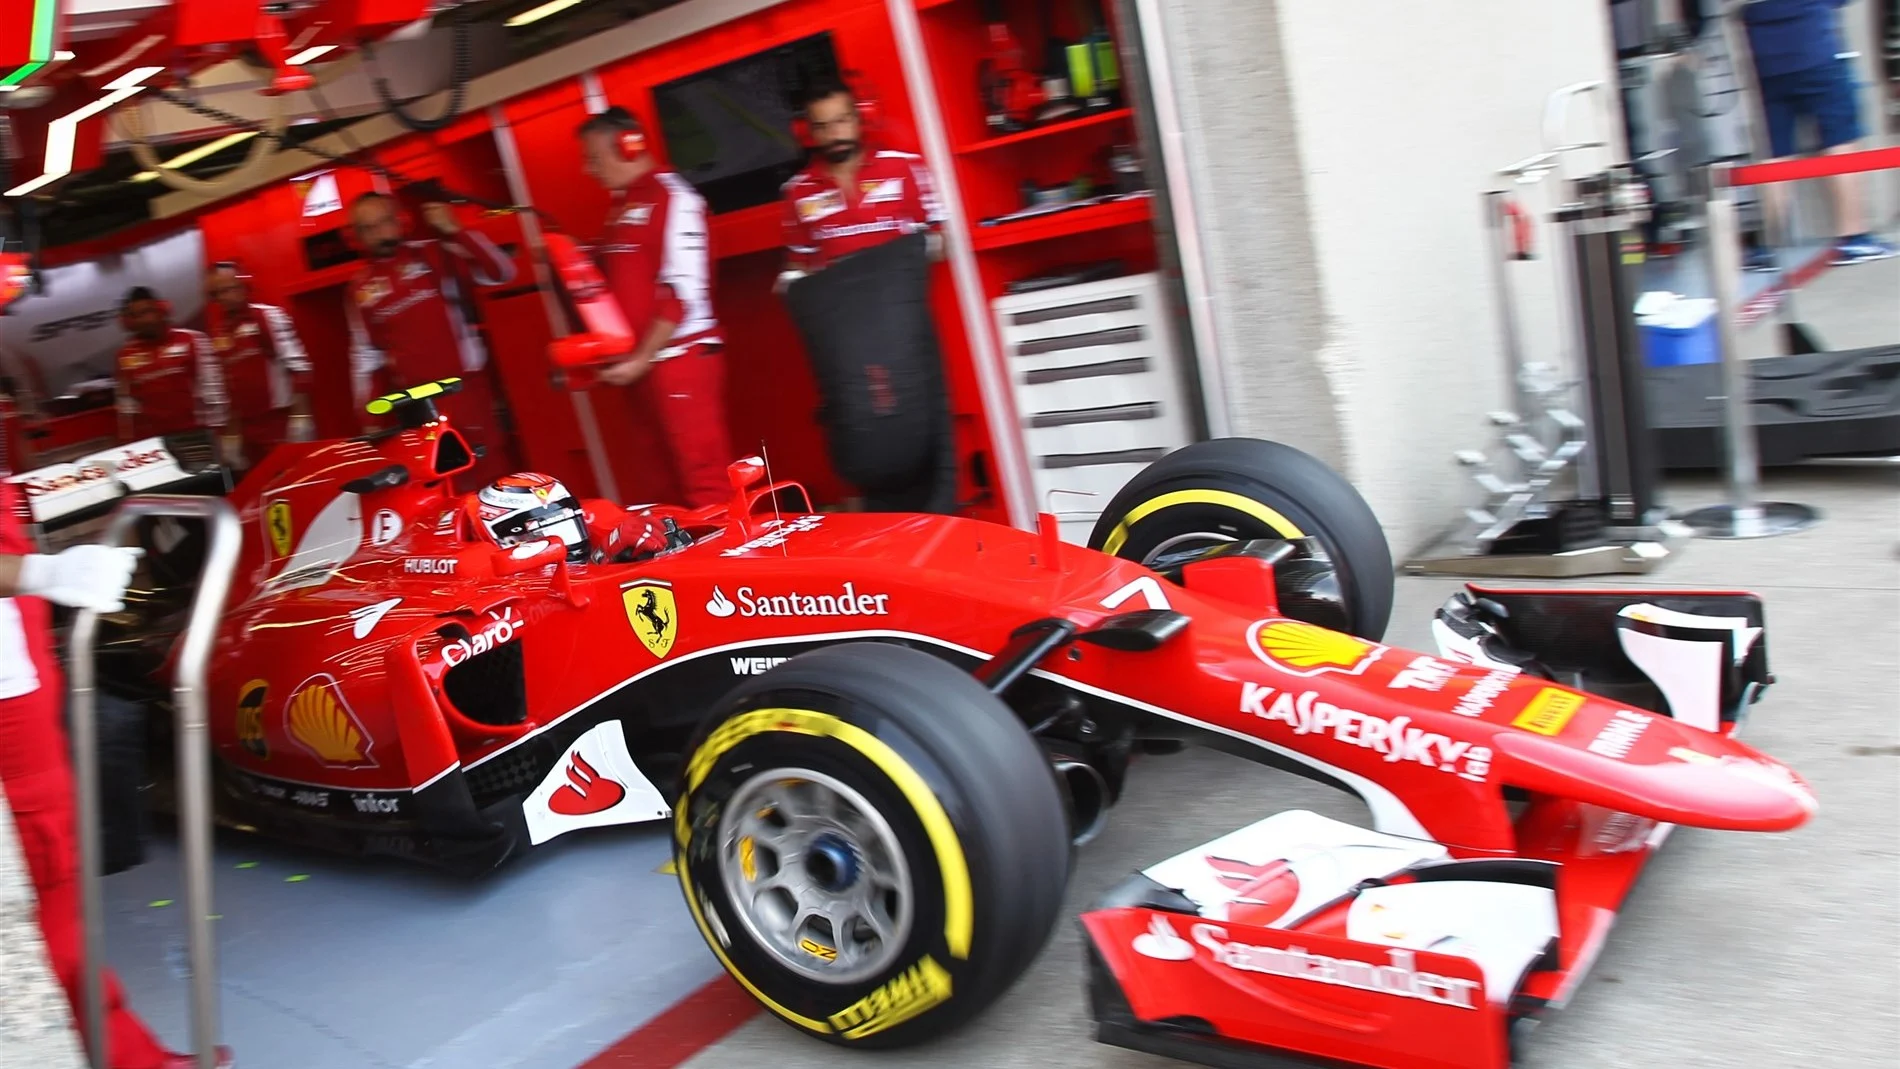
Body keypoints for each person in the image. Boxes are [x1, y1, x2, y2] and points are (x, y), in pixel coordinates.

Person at [1, 457, 232, 1069]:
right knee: (41, 910)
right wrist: (41, 572)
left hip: (23, 702)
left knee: (51, 907)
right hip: (10, 729)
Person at [576, 106, 733, 509]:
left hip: (679, 360)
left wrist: (642, 359)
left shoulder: (674, 198)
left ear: (629, 146)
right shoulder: (622, 206)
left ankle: (725, 567)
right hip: (641, 368)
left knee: (703, 480)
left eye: (593, 158)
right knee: (660, 486)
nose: (588, 170)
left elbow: (684, 290)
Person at [345, 192, 519, 484]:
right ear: (357, 236)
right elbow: (366, 359)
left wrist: (456, 230)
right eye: (369, 228)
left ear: (400, 220)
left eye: (384, 221)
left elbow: (502, 271)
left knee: (492, 481)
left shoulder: (435, 253)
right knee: (442, 490)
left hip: (465, 392)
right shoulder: (359, 289)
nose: (380, 233)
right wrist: (369, 420)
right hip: (416, 409)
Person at [1739, 0, 1897, 269]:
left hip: (1763, 57)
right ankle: (1853, 238)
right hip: (1814, 46)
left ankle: (1768, 246)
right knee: (1841, 139)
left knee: (1775, 151)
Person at [778, 78, 946, 278]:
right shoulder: (798, 190)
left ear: (858, 119)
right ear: (811, 132)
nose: (834, 134)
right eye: (822, 126)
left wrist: (893, 261)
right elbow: (799, 266)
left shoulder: (905, 167)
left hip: (904, 301)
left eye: (842, 120)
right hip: (842, 306)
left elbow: (944, 240)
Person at [205, 260, 312, 470]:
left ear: (245, 285)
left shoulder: (267, 316)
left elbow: (299, 367)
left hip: (280, 422)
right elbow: (226, 389)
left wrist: (301, 419)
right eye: (219, 293)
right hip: (247, 430)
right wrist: (231, 438)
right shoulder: (219, 333)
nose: (226, 297)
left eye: (231, 288)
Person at [112, 287, 230, 454]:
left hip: (199, 433)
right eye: (136, 316)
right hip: (157, 443)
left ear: (163, 310)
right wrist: (130, 445)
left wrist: (222, 434)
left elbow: (214, 389)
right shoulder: (124, 356)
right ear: (128, 322)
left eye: (147, 311)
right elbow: (127, 406)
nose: (144, 320)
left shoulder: (192, 340)